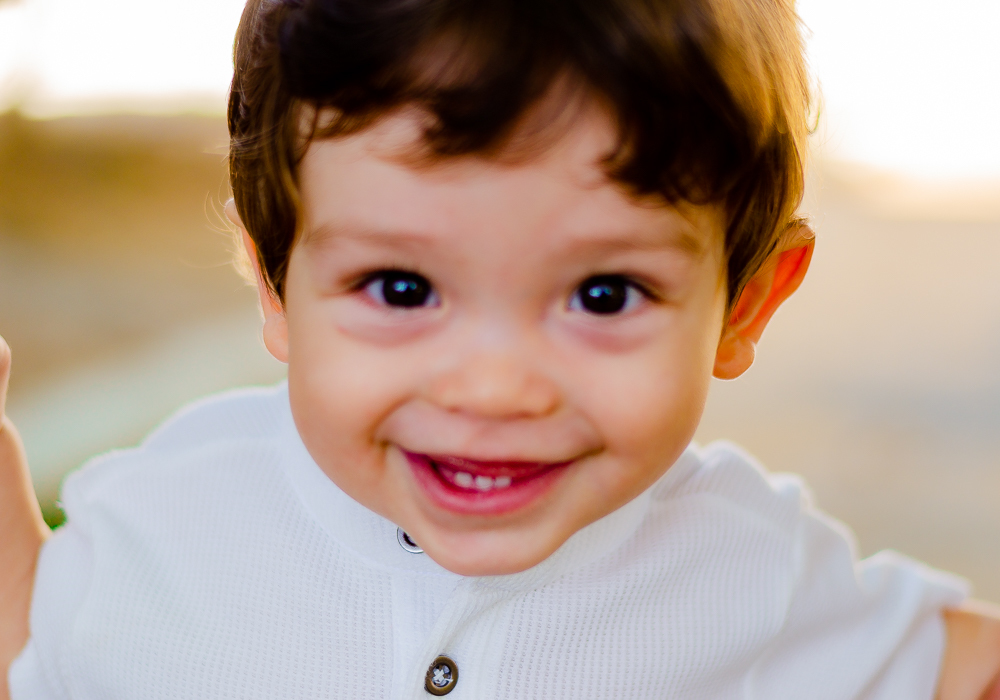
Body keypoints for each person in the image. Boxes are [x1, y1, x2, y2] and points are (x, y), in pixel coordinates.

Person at [2, 0, 1000, 697]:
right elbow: (36, 652)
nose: (493, 389)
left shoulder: (759, 575)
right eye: (402, 288)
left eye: (603, 295)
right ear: (274, 284)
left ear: (745, 304)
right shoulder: (170, 516)